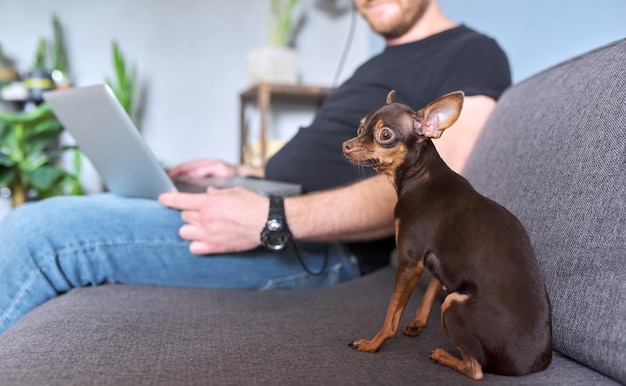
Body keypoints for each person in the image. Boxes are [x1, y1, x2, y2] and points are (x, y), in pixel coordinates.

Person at [0, 0, 511, 335]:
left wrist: (272, 217)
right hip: (276, 203)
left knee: (37, 231)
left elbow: (435, 191)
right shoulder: (372, 67)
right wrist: (239, 171)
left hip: (316, 245)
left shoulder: (473, 52)